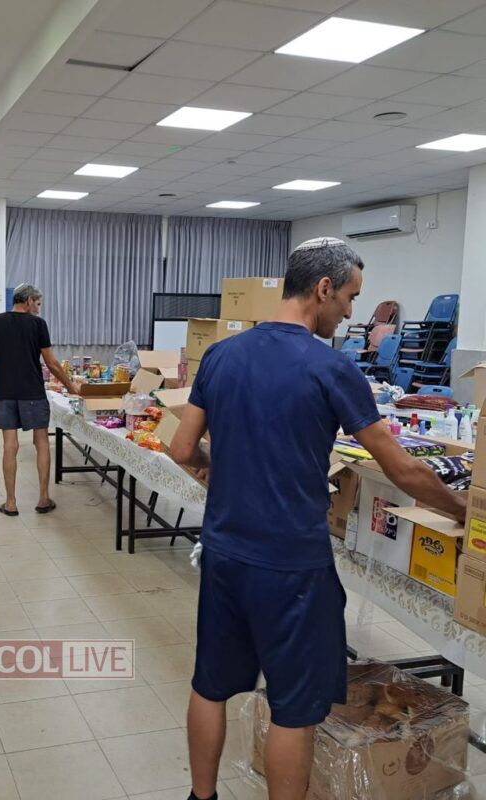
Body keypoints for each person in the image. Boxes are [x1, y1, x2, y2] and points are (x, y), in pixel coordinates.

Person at [170, 237, 467, 800]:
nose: (351, 313)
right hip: (292, 566)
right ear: (323, 289)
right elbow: (402, 469)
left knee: (210, 684)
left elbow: (182, 449)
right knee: (294, 708)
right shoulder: (331, 368)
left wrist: (225, 469)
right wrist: (465, 510)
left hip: (225, 553)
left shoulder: (222, 356)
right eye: (350, 297)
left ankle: (199, 797)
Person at [0, 283, 77, 516]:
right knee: (41, 442)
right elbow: (51, 363)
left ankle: (11, 502)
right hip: (32, 391)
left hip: (4, 392)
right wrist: (71, 386)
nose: (38, 308)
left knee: (10, 446)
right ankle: (43, 498)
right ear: (28, 301)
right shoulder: (38, 324)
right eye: (38, 303)